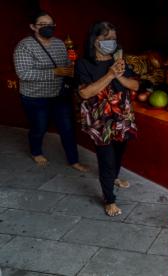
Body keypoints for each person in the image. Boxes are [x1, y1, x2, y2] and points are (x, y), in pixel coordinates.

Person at [76, 21, 139, 216]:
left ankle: (113, 177)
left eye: (113, 38)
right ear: (95, 41)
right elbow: (85, 93)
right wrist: (110, 75)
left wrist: (119, 74)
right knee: (106, 159)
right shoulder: (84, 64)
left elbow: (135, 86)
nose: (111, 42)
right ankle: (109, 200)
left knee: (119, 153)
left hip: (122, 117)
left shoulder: (119, 60)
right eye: (106, 39)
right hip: (100, 120)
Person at [13, 10, 87, 171]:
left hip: (60, 94)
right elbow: (23, 73)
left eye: (50, 24)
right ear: (33, 26)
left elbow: (67, 65)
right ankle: (35, 151)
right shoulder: (24, 46)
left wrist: (73, 71)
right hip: (35, 97)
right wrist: (55, 72)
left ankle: (74, 160)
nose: (47, 27)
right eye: (42, 24)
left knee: (67, 128)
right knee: (39, 127)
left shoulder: (59, 43)